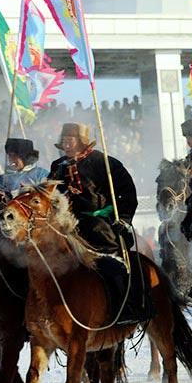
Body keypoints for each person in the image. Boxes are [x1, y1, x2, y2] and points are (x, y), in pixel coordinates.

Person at [48, 123, 141, 324]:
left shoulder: (104, 162)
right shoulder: (58, 166)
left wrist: (122, 218)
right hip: (67, 225)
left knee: (111, 263)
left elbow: (127, 192)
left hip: (98, 224)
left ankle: (125, 307)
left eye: (70, 138)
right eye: (64, 138)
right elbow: (49, 194)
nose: (66, 142)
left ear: (81, 140)